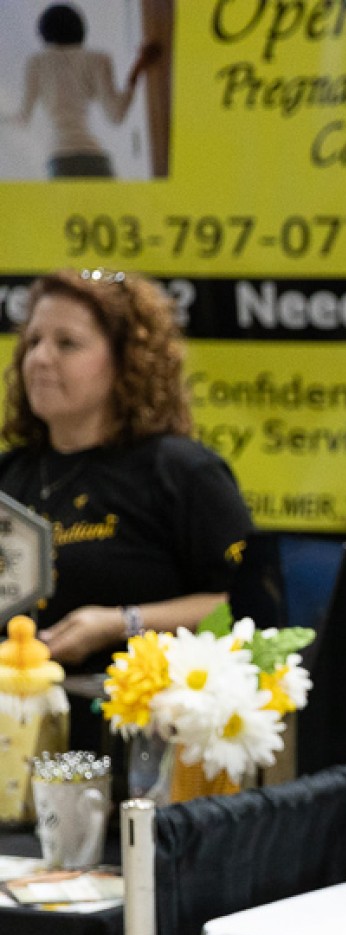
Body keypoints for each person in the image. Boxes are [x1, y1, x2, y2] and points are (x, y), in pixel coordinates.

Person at [0, 269, 252, 742]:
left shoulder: (181, 472)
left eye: (67, 344)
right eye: (33, 341)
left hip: (139, 740)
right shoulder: (10, 474)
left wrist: (122, 623)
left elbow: (243, 607)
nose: (40, 358)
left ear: (126, 361)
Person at [12, 4, 162, 178]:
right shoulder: (98, 59)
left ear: (44, 33)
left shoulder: (36, 62)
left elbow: (23, 117)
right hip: (95, 157)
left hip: (60, 158)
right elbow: (116, 115)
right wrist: (137, 68)